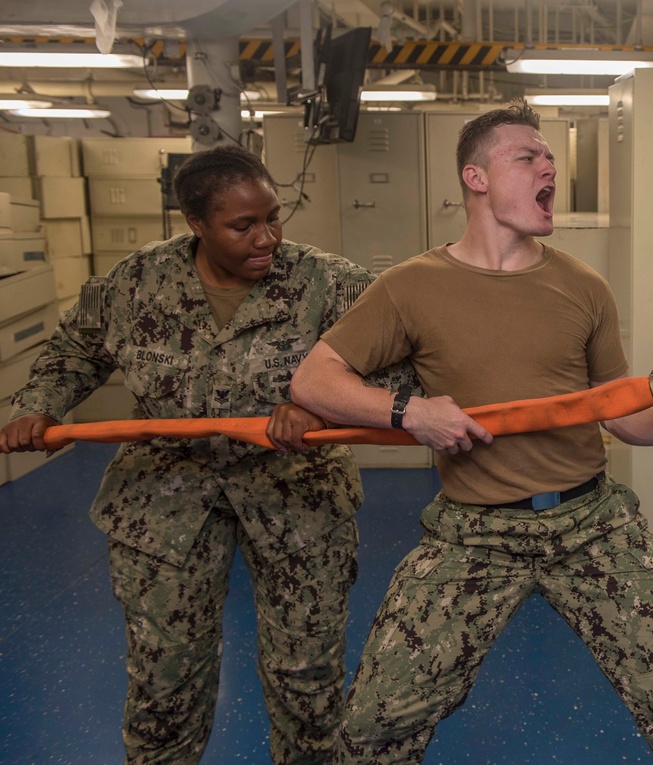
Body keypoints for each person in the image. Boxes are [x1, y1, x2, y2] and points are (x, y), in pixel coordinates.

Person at [290, 99, 653, 765]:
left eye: (551, 159)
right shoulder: (410, 286)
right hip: (474, 530)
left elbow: (615, 408)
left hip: (591, 522)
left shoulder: (583, 287)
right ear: (476, 178)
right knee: (373, 728)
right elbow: (314, 378)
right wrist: (410, 412)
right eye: (528, 157)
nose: (549, 169)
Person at [0, 144, 413, 765]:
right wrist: (39, 404)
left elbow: (406, 366)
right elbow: (75, 350)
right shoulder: (136, 283)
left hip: (295, 496)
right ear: (195, 223)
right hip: (164, 503)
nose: (267, 236)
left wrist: (327, 406)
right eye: (243, 225)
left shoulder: (326, 282)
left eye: (274, 217)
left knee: (307, 677)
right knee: (163, 678)